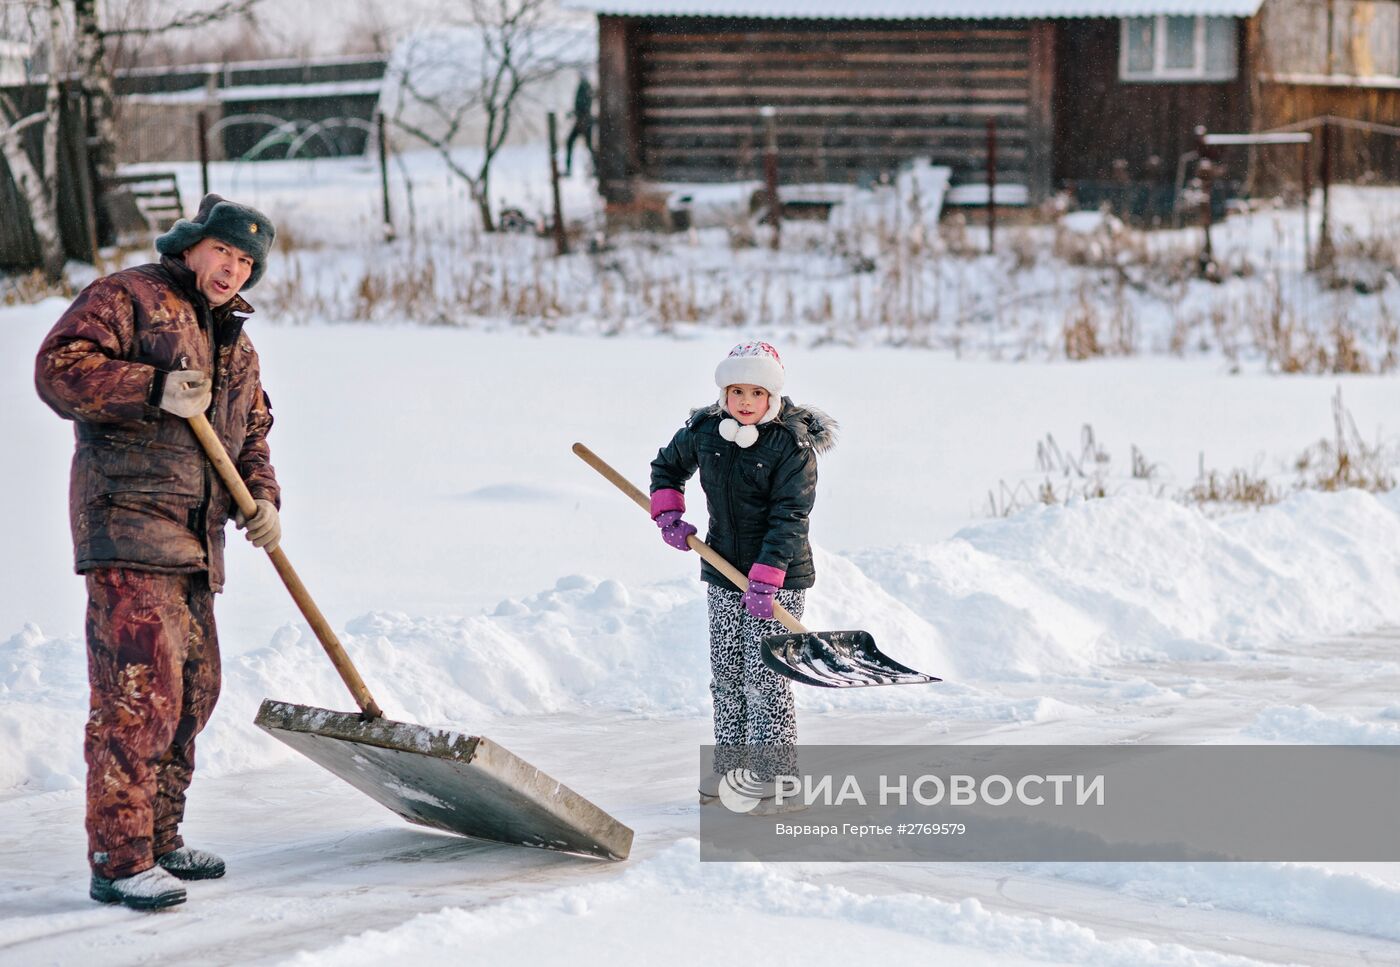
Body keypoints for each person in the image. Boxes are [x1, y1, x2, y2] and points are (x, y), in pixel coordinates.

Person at [35, 193, 280, 911]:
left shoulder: (236, 344)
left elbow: (253, 434)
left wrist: (261, 500)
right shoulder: (131, 297)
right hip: (130, 525)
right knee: (139, 697)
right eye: (223, 252)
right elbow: (59, 367)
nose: (232, 268)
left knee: (193, 695)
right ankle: (120, 857)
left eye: (246, 261)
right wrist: (154, 387)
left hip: (196, 541)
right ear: (193, 245)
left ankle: (160, 839)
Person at [649, 342, 837, 806]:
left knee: (767, 674)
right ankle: (730, 769)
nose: (746, 401)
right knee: (728, 671)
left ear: (772, 394)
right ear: (724, 393)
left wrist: (768, 573)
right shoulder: (706, 431)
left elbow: (791, 516)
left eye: (756, 392)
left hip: (779, 576)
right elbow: (667, 467)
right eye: (736, 391)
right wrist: (669, 513)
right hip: (721, 568)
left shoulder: (791, 446)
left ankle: (774, 773)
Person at [564, 73, 596, 177]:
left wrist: (581, 115)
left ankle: (596, 168)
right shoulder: (583, 87)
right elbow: (580, 105)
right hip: (581, 120)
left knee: (589, 146)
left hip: (584, 121)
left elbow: (584, 105)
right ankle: (568, 170)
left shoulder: (585, 87)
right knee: (571, 143)